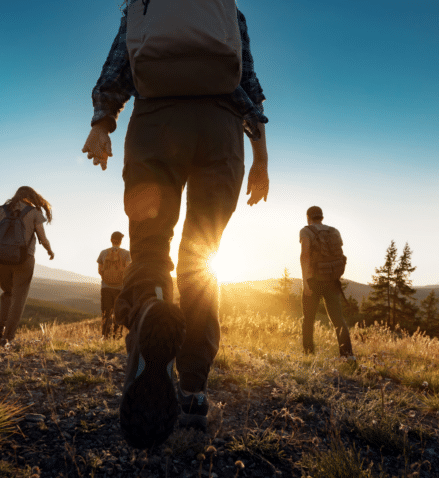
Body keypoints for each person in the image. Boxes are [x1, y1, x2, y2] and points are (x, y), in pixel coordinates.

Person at [82, 0, 270, 448]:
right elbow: (249, 83)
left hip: (154, 123)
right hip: (221, 130)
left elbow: (118, 65)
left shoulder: (145, 4)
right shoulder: (225, 8)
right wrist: (261, 157)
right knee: (201, 258)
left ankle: (149, 307)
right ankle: (193, 393)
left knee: (149, 245)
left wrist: (101, 122)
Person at [0, 186, 54, 348]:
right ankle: (7, 337)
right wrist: (49, 251)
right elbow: (42, 238)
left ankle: (0, 326)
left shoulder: (1, 211)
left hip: (2, 257)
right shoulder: (34, 213)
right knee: (19, 298)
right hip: (24, 259)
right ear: (31, 196)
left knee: (7, 293)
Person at [299, 206, 354, 358]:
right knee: (338, 319)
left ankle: (309, 355)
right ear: (322, 217)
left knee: (308, 319)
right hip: (332, 280)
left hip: (313, 280)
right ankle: (347, 355)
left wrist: (305, 283)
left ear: (308, 217)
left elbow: (305, 256)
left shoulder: (306, 231)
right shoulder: (334, 231)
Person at [98, 231, 132, 338]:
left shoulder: (103, 253)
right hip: (120, 288)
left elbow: (100, 270)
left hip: (106, 287)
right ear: (121, 241)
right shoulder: (126, 254)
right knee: (119, 312)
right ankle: (116, 335)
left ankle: (105, 335)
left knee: (106, 312)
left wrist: (107, 278)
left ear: (111, 240)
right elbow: (128, 270)